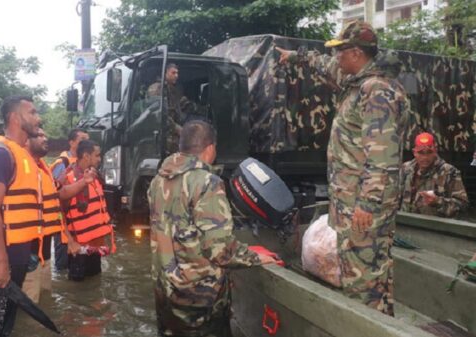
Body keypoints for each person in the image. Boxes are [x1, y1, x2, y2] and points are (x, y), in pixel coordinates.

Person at [276, 20, 410, 316]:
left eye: (340, 52)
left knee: (362, 280)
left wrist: (366, 203)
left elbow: (382, 156)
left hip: (363, 207)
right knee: (371, 275)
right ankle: (381, 323)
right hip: (353, 202)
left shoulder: (376, 91)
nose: (336, 58)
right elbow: (324, 64)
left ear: (356, 53)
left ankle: (367, 326)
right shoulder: (358, 81)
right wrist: (295, 56)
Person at [147, 120, 275, 336]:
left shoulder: (158, 181)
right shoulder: (207, 183)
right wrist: (255, 257)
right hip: (200, 301)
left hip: (165, 295)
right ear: (209, 148)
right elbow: (220, 250)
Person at [0, 95, 42, 337]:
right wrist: (1, 262)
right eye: (32, 113)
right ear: (15, 118)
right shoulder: (2, 155)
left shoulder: (20, 154)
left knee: (4, 323)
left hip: (17, 255)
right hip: (2, 256)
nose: (38, 118)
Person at [60, 139, 114, 281]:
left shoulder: (95, 176)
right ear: (86, 156)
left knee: (94, 287)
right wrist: (70, 242)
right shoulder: (68, 179)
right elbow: (58, 214)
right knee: (78, 293)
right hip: (79, 249)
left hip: (95, 247)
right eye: (97, 155)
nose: (99, 159)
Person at [21, 128, 65, 303]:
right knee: (29, 305)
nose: (45, 138)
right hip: (28, 254)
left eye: (45, 135)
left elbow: (60, 194)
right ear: (26, 141)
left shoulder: (43, 168)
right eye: (39, 136)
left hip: (44, 254)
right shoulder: (19, 166)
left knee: (46, 300)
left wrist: (84, 182)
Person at [400, 132, 468, 218]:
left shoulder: (449, 172)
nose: (425, 157)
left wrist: (438, 202)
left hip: (435, 227)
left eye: (429, 152)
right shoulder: (406, 169)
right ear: (414, 152)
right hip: (406, 225)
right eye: (421, 153)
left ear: (435, 150)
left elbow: (462, 206)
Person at [50, 128, 89, 271]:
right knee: (63, 264)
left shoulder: (85, 163)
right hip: (63, 220)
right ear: (71, 142)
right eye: (81, 140)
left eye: (87, 140)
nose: (86, 143)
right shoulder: (63, 163)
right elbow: (55, 194)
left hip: (79, 221)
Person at [147, 63, 196, 154]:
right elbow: (158, 114)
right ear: (165, 73)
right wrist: (178, 129)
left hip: (172, 133)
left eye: (177, 73)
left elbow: (175, 110)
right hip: (163, 135)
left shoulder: (171, 89)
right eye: (173, 73)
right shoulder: (157, 89)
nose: (176, 76)